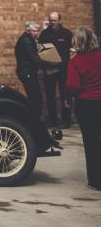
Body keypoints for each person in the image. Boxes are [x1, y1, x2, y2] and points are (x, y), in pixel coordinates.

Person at [65, 27, 101, 191]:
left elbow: (73, 85)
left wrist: (68, 98)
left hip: (86, 104)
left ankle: (95, 180)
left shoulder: (75, 61)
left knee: (91, 141)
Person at [15, 20, 59, 115]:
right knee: (36, 98)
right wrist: (52, 64)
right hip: (26, 72)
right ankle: (34, 122)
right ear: (27, 30)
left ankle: (34, 120)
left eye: (37, 31)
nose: (36, 33)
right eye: (34, 31)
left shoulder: (28, 39)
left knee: (35, 97)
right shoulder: (26, 41)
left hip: (27, 71)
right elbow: (34, 59)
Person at [39, 12, 73, 127]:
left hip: (64, 69)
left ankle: (66, 120)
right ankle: (52, 120)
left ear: (59, 20)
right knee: (50, 95)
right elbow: (40, 50)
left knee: (65, 94)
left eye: (55, 20)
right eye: (51, 20)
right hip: (50, 68)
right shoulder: (44, 34)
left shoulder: (67, 34)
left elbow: (72, 50)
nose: (53, 23)